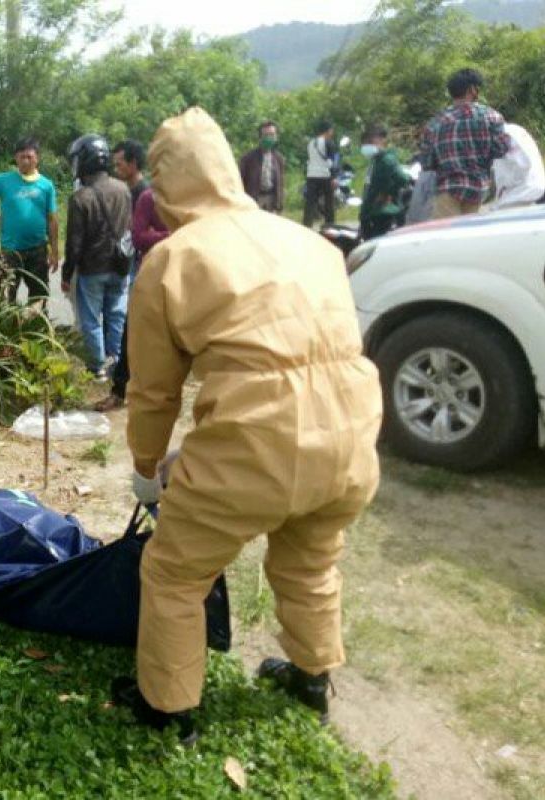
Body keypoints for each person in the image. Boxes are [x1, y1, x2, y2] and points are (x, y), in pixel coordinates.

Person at [110, 108, 382, 742]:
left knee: (174, 572)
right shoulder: (309, 241)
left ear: (166, 185)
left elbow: (154, 390)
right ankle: (312, 678)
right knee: (311, 562)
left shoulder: (174, 258)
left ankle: (167, 709)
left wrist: (148, 467)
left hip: (259, 438)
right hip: (352, 432)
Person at [62, 134, 132, 379]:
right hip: (121, 265)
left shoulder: (80, 198)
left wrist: (66, 273)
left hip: (92, 269)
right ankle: (118, 364)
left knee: (92, 320)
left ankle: (97, 368)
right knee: (117, 316)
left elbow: (74, 243)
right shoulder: (123, 189)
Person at [95, 183, 169, 412]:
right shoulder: (150, 198)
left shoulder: (194, 198)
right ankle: (119, 391)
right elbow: (139, 237)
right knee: (133, 332)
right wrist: (175, 235)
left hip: (186, 276)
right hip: (151, 273)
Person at [0, 137, 60, 304]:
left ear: (37, 158)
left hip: (38, 250)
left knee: (39, 297)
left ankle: (37, 327)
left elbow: (52, 219)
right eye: (21, 157)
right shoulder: (5, 180)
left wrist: (54, 251)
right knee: (5, 298)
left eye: (29, 157)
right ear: (16, 158)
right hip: (11, 251)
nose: (25, 161)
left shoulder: (46, 185)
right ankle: (10, 328)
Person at [421, 68, 511, 219]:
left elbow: (427, 162)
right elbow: (502, 149)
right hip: (477, 191)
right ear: (472, 89)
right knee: (469, 237)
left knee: (447, 239)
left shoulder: (435, 123)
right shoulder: (492, 117)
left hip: (446, 191)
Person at [358, 124, 413, 240]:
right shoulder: (375, 161)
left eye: (369, 142)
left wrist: (388, 192)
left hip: (383, 213)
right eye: (364, 143)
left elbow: (402, 180)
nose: (365, 146)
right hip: (372, 212)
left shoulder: (386, 160)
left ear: (381, 141)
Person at [489, 122, 545, 211]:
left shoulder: (503, 135)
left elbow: (525, 163)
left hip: (521, 191)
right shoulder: (514, 129)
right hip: (535, 185)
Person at [239, 121, 286, 213]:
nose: (269, 138)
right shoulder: (248, 158)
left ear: (276, 137)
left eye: (272, 135)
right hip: (254, 200)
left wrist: (280, 203)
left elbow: (281, 182)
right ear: (260, 137)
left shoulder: (279, 158)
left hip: (271, 200)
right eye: (266, 135)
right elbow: (239, 180)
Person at [302, 120, 337, 228]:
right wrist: (334, 177)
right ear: (328, 131)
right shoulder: (328, 142)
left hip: (311, 175)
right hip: (325, 176)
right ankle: (329, 226)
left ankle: (307, 225)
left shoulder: (310, 143)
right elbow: (333, 162)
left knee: (310, 203)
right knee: (329, 203)